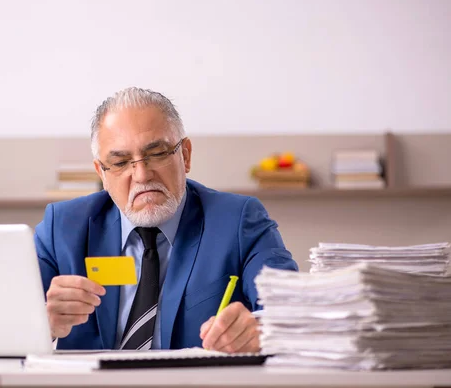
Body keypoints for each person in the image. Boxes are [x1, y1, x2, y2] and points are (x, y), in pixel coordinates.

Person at [34, 87, 298, 352]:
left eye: (156, 154)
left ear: (185, 155)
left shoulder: (238, 221)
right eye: (121, 162)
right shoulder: (62, 228)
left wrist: (261, 329)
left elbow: (291, 309)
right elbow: (5, 324)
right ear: (101, 173)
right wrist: (43, 323)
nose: (141, 175)